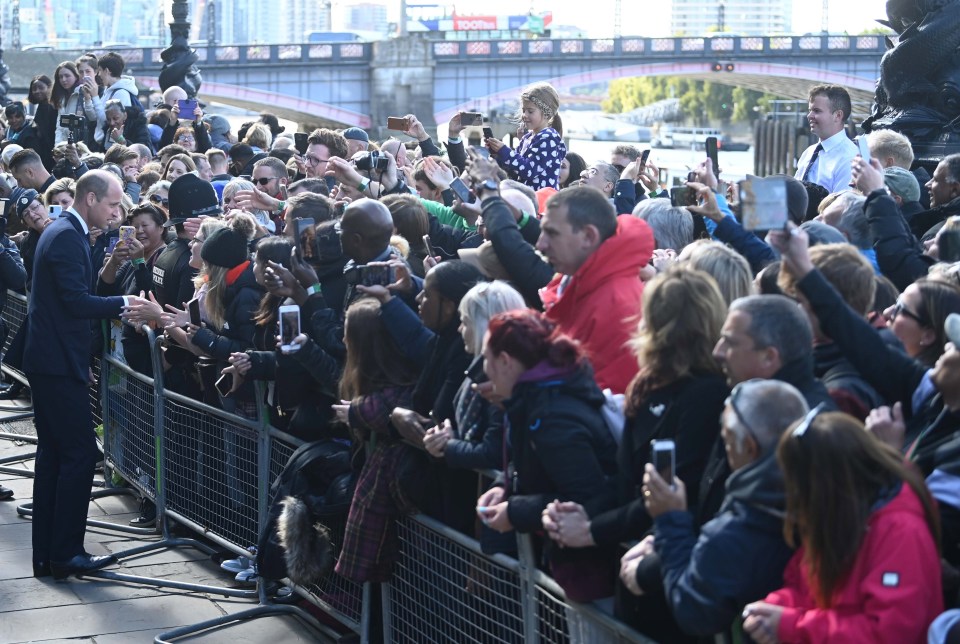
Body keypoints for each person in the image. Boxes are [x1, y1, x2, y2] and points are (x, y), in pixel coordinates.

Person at [25, 170, 147, 579]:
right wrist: (124, 302)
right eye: (113, 205)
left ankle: (50, 554)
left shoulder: (66, 232)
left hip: (56, 360)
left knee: (57, 454)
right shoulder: (65, 236)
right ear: (90, 199)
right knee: (78, 454)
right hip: (55, 363)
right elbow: (76, 303)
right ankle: (65, 553)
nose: (117, 213)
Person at [624, 380, 808, 640]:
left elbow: (693, 610)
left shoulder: (738, 530)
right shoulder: (832, 490)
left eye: (727, 442)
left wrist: (670, 520)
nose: (726, 451)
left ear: (749, 448)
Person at [742, 409, 942, 643]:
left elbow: (888, 633)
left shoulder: (901, 532)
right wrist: (772, 608)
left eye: (797, 483)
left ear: (823, 484)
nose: (792, 494)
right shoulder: (839, 516)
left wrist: (793, 627)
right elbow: (803, 584)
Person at [476, 309, 617, 602]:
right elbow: (538, 464)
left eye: (486, 360)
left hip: (594, 572)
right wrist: (506, 485)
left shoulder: (553, 415)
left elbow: (585, 497)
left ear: (505, 362)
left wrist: (515, 511)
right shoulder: (539, 398)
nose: (483, 371)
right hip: (576, 563)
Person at [486, 81, 566, 190]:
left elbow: (529, 171)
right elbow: (516, 169)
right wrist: (499, 155)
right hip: (527, 197)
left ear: (546, 113)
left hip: (541, 200)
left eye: (530, 111)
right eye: (524, 110)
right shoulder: (527, 138)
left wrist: (505, 151)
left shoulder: (548, 138)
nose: (524, 115)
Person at [793, 84, 858, 193]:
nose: (809, 115)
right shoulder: (808, 153)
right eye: (810, 110)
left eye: (816, 111)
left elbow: (843, 206)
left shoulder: (849, 159)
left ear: (838, 115)